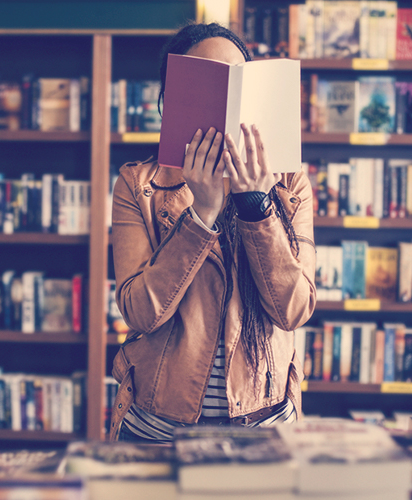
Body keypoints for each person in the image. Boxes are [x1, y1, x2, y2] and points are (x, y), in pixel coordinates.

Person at [108, 22, 317, 443]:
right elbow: (140, 313)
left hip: (263, 428)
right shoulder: (139, 185)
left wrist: (256, 206)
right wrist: (200, 214)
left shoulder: (289, 185)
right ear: (173, 102)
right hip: (158, 431)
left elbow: (293, 310)